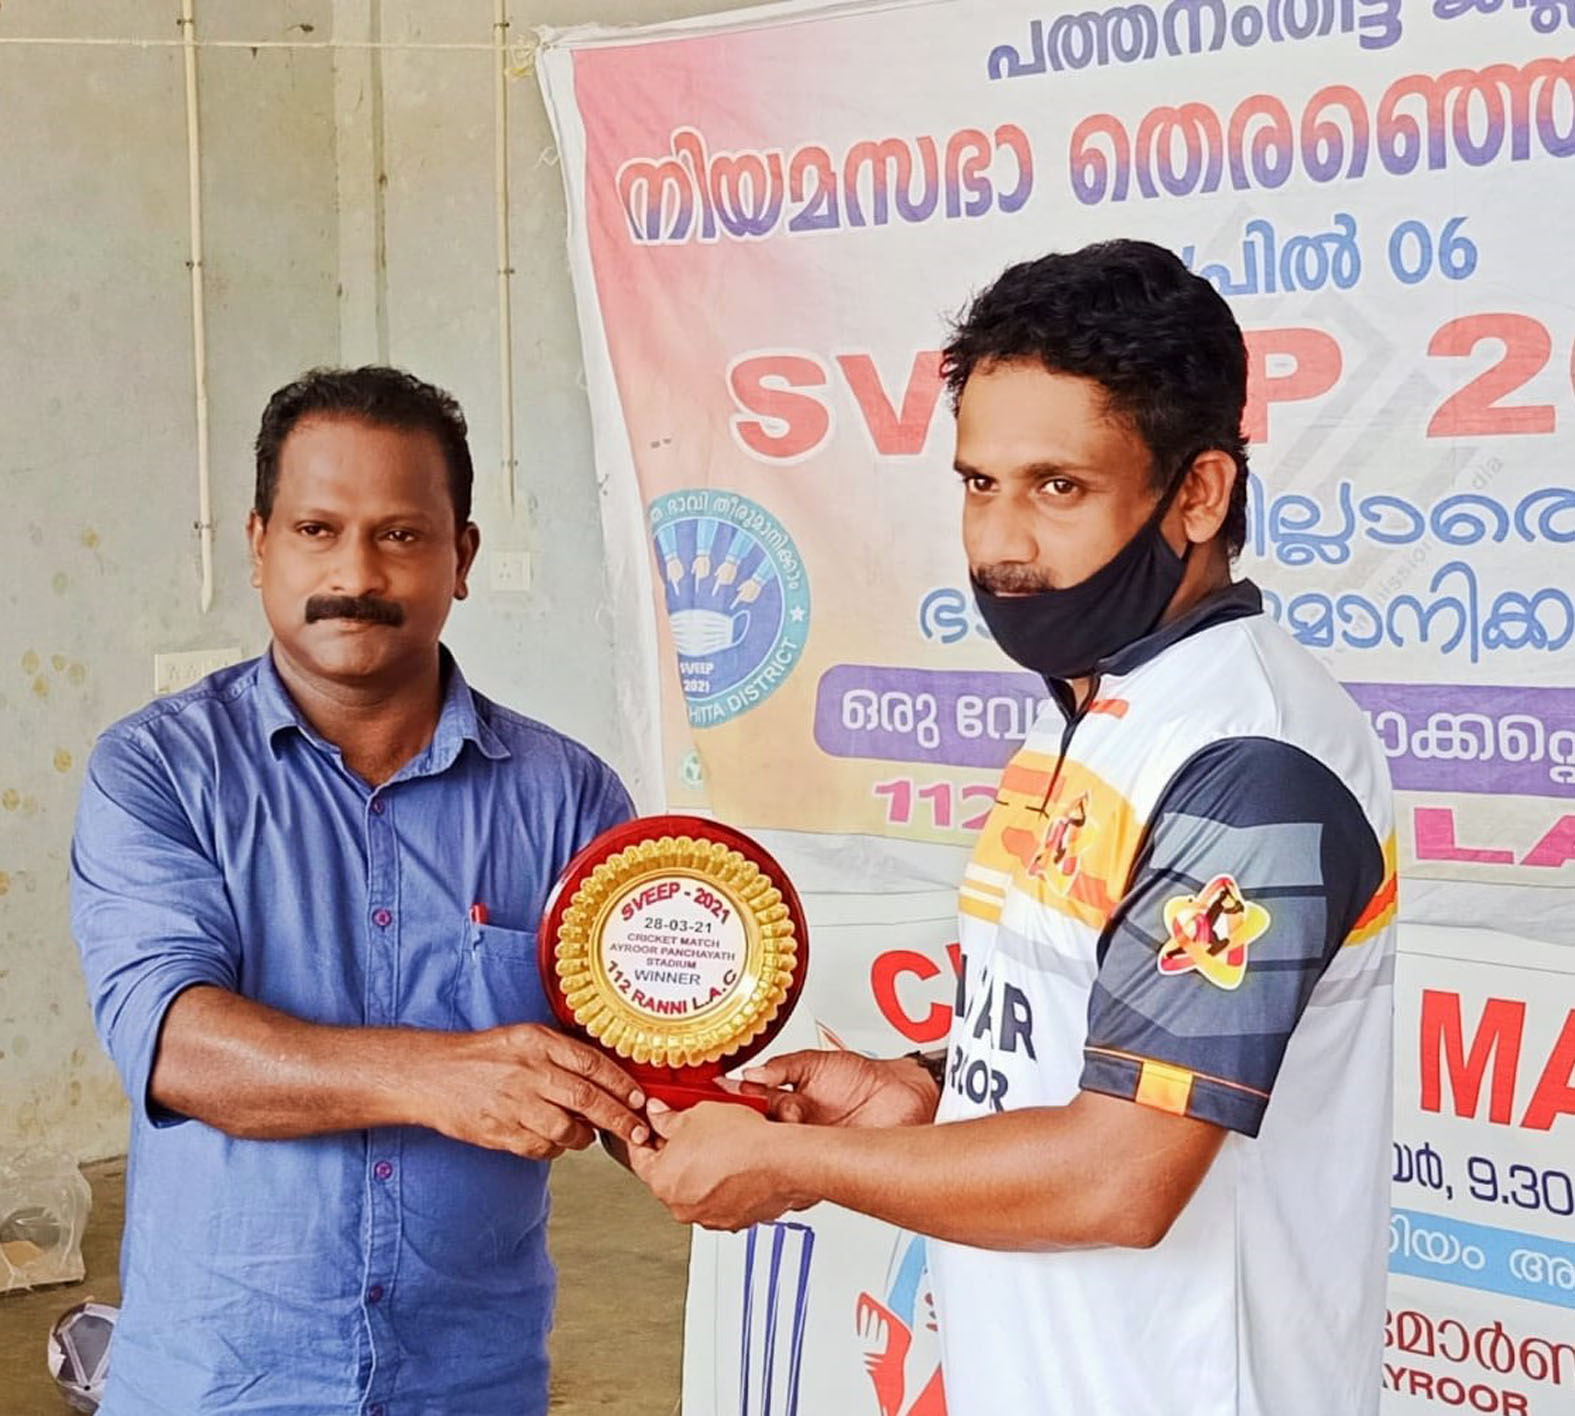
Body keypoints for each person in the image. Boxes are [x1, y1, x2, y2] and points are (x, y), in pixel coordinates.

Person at [632, 242, 1397, 1416]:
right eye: (979, 484)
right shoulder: (1095, 709)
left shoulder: (1254, 765)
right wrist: (918, 1090)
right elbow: (1101, 1053)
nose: (999, 546)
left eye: (1057, 487)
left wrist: (793, 1161)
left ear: (1199, 494)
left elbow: (1120, 1176)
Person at [71, 367, 650, 1415]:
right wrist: (438, 1076)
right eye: (316, 530)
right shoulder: (158, 771)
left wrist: (749, 1128)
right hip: (216, 1385)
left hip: (472, 1385)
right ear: (258, 545)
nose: (355, 572)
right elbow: (176, 1047)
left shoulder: (569, 797)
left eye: (400, 535)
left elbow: (629, 1057)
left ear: (461, 557)